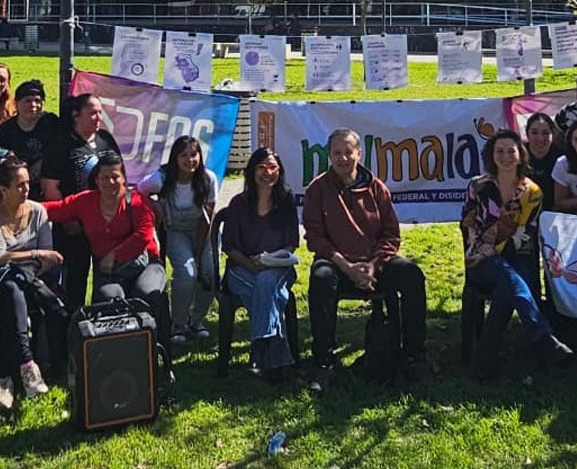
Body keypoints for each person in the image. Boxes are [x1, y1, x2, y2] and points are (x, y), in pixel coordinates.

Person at [303, 128, 427, 392]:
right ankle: (324, 362)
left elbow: (391, 234)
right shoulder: (317, 189)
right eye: (337, 153)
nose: (343, 158)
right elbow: (314, 237)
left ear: (359, 153)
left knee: (412, 275)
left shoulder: (376, 188)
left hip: (373, 266)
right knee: (321, 278)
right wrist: (345, 266)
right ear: (329, 156)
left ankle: (414, 357)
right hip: (337, 265)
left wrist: (374, 265)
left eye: (348, 152)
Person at [461, 130, 573, 380]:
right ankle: (543, 336)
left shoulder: (532, 192)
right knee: (506, 278)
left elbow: (526, 234)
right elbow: (468, 223)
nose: (505, 156)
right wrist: (480, 250)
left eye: (511, 151)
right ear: (491, 155)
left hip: (517, 257)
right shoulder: (478, 186)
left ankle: (482, 366)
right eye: (499, 151)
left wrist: (493, 248)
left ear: (520, 155)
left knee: (506, 288)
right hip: (480, 261)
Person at [40, 151, 169, 348]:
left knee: (146, 293)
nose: (110, 182)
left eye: (115, 176)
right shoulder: (86, 201)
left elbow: (144, 234)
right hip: (109, 273)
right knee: (110, 299)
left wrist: (115, 255)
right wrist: (23, 206)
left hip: (146, 264)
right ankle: (118, 351)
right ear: (97, 181)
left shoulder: (137, 200)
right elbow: (56, 209)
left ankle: (154, 348)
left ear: (124, 179)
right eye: (104, 177)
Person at [0, 156, 62, 409]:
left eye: (28, 183)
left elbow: (50, 257)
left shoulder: (38, 211)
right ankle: (27, 365)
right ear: (3, 190)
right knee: (11, 288)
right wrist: (34, 255)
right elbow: (0, 257)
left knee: (20, 294)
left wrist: (31, 269)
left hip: (31, 278)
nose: (27, 189)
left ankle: (6, 379)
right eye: (20, 185)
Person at [220, 147, 299, 379]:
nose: (267, 172)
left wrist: (268, 261)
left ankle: (258, 348)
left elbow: (291, 244)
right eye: (261, 167)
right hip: (241, 268)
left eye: (272, 167)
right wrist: (249, 263)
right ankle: (278, 362)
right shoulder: (238, 203)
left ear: (280, 171)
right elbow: (229, 246)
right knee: (272, 294)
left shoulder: (286, 201)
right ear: (252, 171)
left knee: (266, 281)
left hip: (277, 266)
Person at [41, 93, 121, 308]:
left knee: (108, 279)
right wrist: (69, 220)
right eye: (92, 113)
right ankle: (73, 326)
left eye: (99, 113)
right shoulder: (62, 145)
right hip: (74, 228)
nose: (98, 118)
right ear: (77, 116)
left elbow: (120, 176)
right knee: (75, 281)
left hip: (106, 225)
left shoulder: (106, 140)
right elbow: (50, 187)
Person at [138, 136, 219, 344]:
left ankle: (197, 319)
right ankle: (178, 324)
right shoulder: (161, 179)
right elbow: (137, 192)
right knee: (187, 273)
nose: (189, 160)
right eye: (184, 155)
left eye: (194, 155)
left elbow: (208, 218)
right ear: (174, 158)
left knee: (209, 273)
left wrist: (201, 253)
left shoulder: (208, 179)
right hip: (176, 231)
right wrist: (154, 205)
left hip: (204, 231)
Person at [0, 80, 59, 201]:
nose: (33, 105)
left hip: (46, 183)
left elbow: (61, 148)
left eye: (37, 101)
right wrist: (10, 159)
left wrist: (44, 163)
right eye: (27, 101)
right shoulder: (7, 128)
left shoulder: (51, 123)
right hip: (17, 185)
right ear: (17, 103)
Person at [524, 112, 563, 211]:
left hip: (555, 211)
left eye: (545, 133)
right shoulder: (518, 154)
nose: (540, 138)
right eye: (534, 132)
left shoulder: (562, 157)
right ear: (527, 133)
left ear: (553, 134)